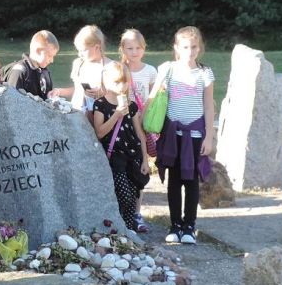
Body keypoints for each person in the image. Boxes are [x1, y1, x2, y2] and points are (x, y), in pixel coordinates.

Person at [148, 26, 216, 244]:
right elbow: (153, 97)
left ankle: (189, 227)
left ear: (200, 48)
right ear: (177, 47)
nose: (190, 51)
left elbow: (209, 106)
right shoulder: (168, 69)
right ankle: (175, 225)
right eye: (185, 47)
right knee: (174, 180)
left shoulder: (205, 73)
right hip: (173, 134)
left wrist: (209, 137)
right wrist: (143, 117)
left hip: (195, 135)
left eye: (194, 47)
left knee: (192, 181)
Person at [91, 62, 151, 234]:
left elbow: (139, 134)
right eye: (117, 82)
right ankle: (117, 224)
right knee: (124, 195)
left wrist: (145, 159)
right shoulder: (100, 104)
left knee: (133, 193)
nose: (122, 86)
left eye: (125, 81)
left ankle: (127, 230)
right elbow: (100, 132)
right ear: (106, 81)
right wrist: (117, 113)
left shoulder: (131, 105)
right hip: (114, 156)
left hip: (132, 155)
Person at [67, 25, 114, 110]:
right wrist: (59, 91)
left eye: (83, 50)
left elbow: (119, 93)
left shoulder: (110, 66)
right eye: (78, 50)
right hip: (77, 111)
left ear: (97, 47)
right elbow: (77, 89)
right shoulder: (78, 64)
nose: (79, 54)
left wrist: (103, 92)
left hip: (99, 114)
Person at [4, 31, 59, 99]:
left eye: (53, 56)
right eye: (49, 56)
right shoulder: (19, 72)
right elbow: (12, 100)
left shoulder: (44, 72)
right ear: (38, 51)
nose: (52, 60)